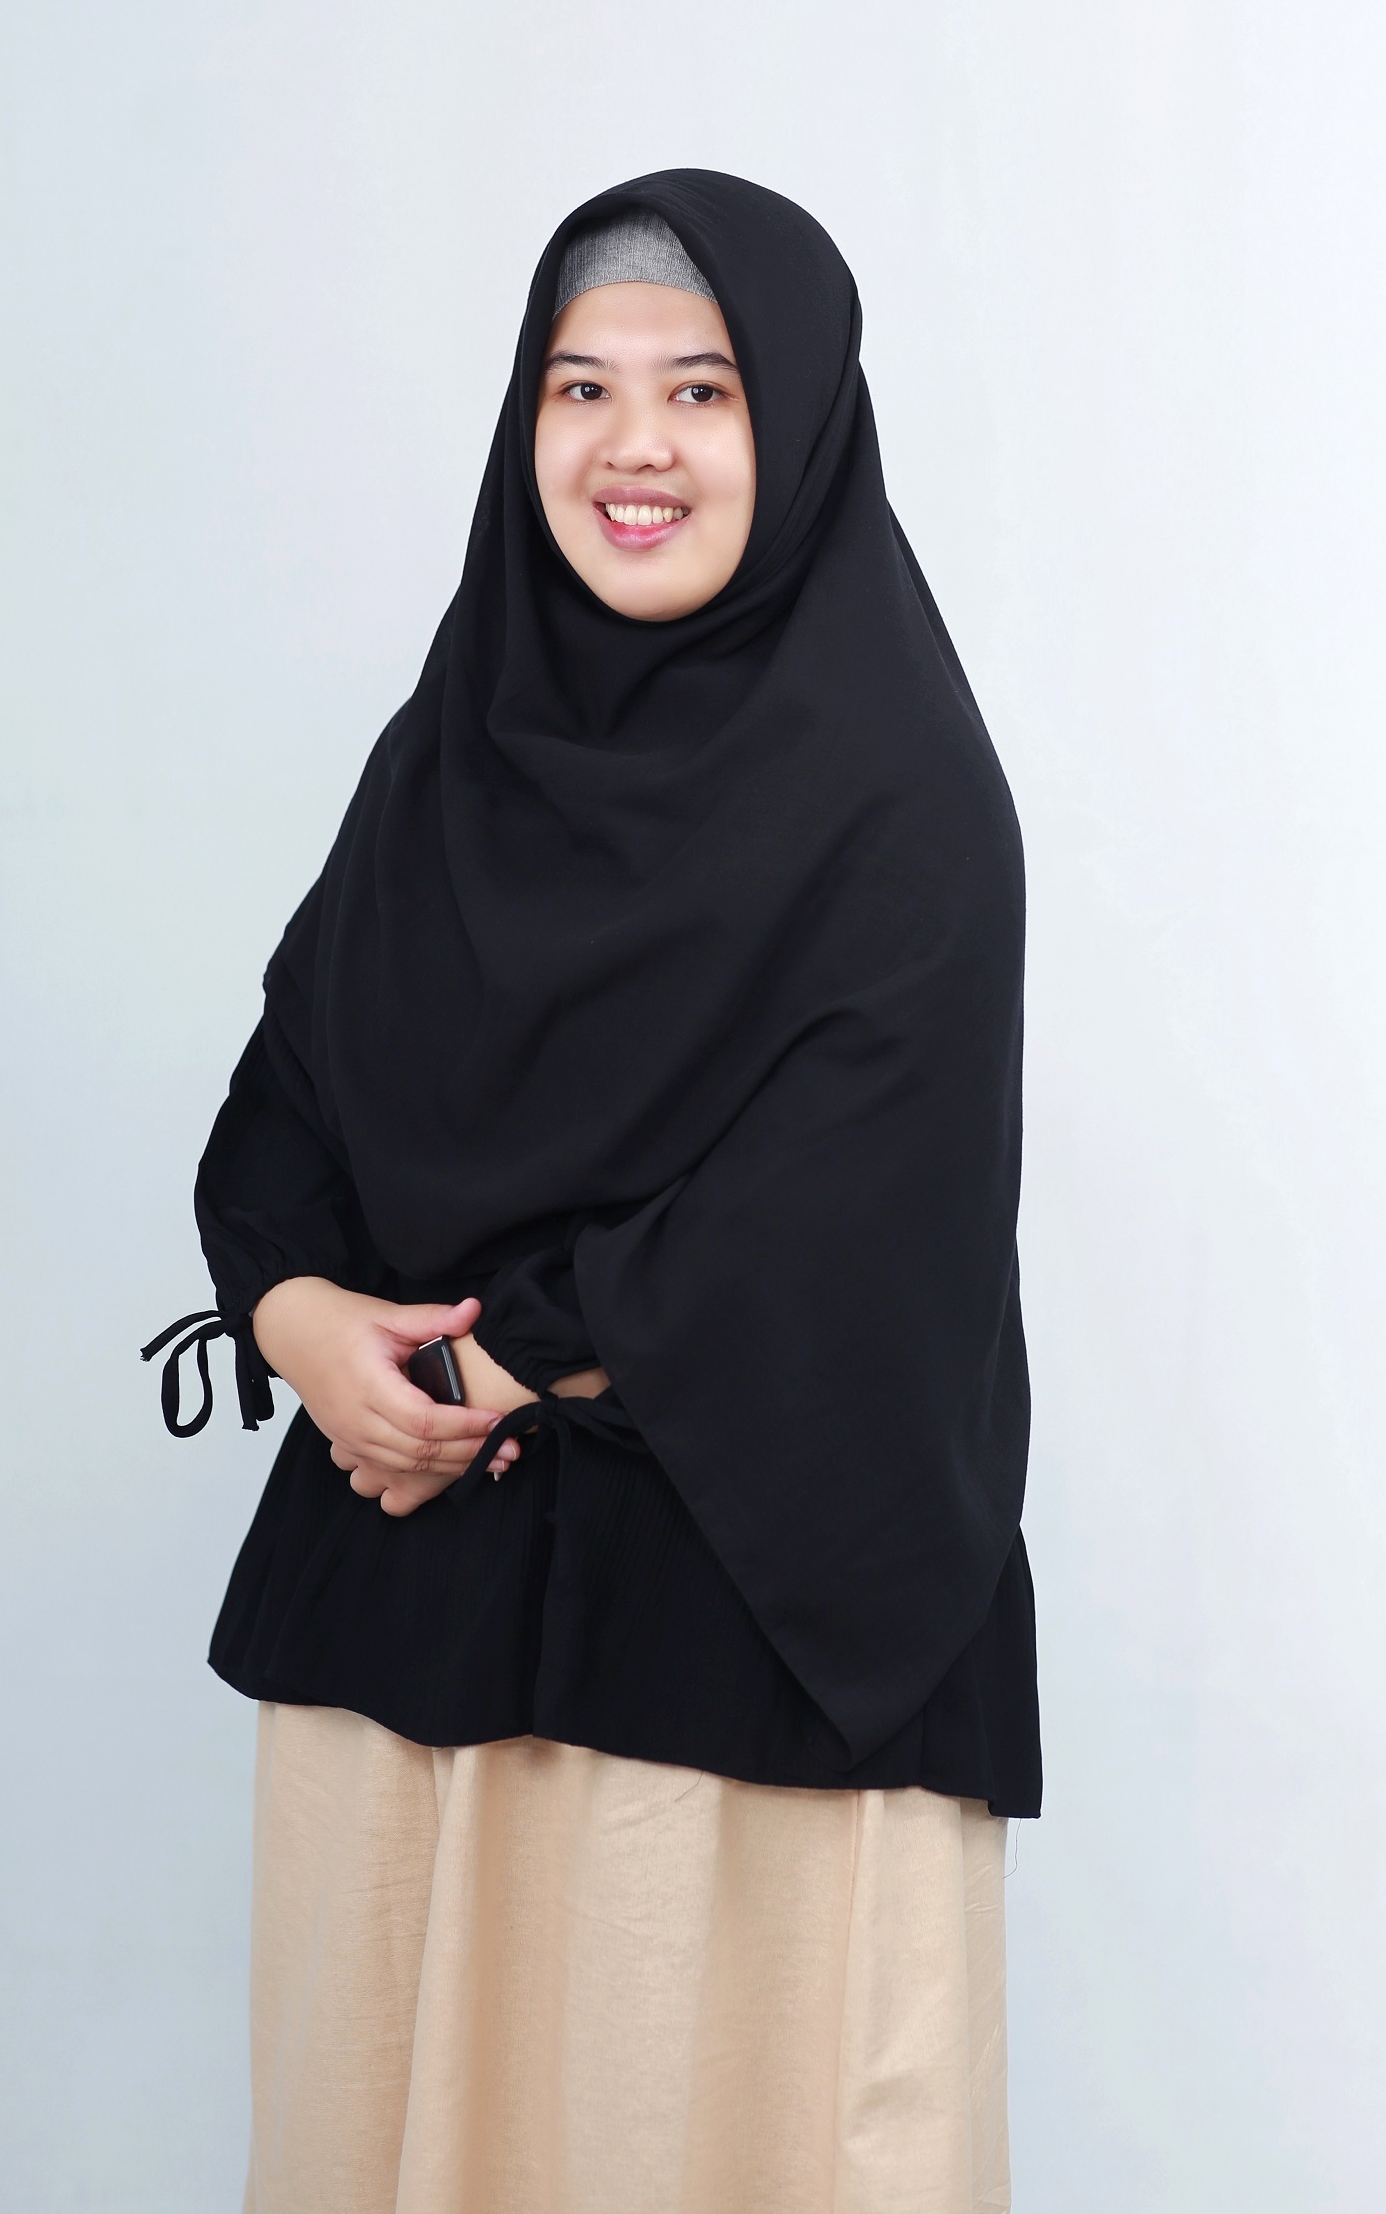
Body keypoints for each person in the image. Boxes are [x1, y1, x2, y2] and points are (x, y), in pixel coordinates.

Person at [146, 169, 1039, 2214]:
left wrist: (471, 1376)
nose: (634, 446)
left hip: (738, 1655)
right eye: (581, 387)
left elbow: (828, 1216)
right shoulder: (449, 756)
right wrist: (297, 1320)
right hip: (409, 1627)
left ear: (797, 420)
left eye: (701, 390)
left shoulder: (904, 797)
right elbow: (287, 1106)